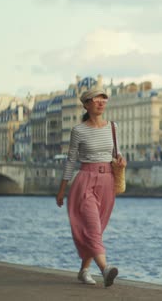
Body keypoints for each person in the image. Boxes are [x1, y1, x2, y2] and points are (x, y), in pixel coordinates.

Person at [55, 88, 126, 287]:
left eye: (103, 99)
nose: (101, 102)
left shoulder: (113, 127)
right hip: (85, 181)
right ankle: (105, 269)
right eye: (96, 100)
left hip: (107, 182)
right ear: (86, 105)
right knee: (92, 226)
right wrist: (62, 190)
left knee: (97, 229)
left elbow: (116, 153)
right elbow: (71, 161)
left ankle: (84, 270)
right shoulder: (78, 130)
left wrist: (120, 160)